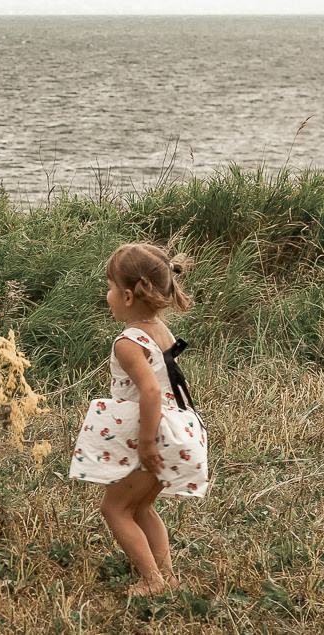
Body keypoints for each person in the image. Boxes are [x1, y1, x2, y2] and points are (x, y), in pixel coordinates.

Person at [69, 243, 208, 597]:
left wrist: (146, 443)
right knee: (143, 507)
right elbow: (174, 384)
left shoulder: (128, 343)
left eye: (110, 288)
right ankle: (167, 576)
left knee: (115, 509)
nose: (107, 295)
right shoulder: (162, 332)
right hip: (176, 428)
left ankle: (152, 580)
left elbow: (150, 390)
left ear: (128, 296)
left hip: (152, 433)